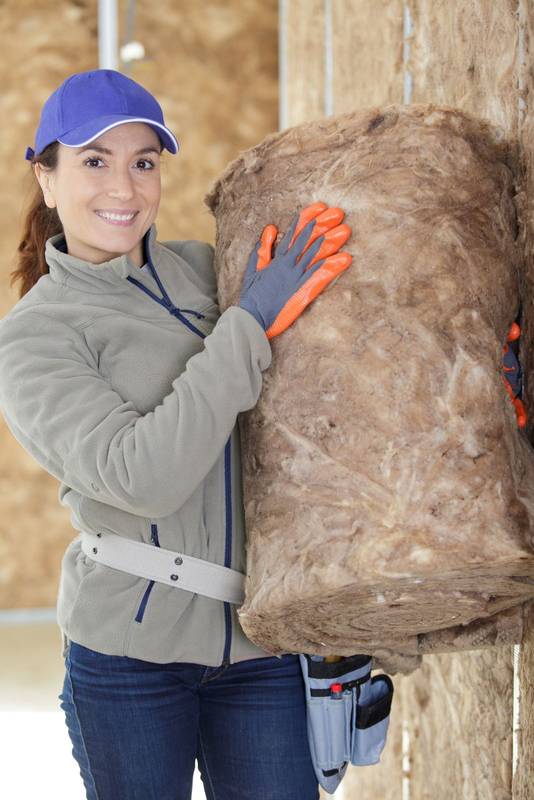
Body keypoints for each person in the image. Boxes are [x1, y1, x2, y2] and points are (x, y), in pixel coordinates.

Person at [0, 69, 353, 800]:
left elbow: (321, 383)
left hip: (262, 641)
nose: (123, 189)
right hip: (128, 660)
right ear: (47, 178)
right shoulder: (34, 338)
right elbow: (142, 477)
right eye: (94, 161)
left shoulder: (205, 270)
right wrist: (246, 326)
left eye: (143, 162)